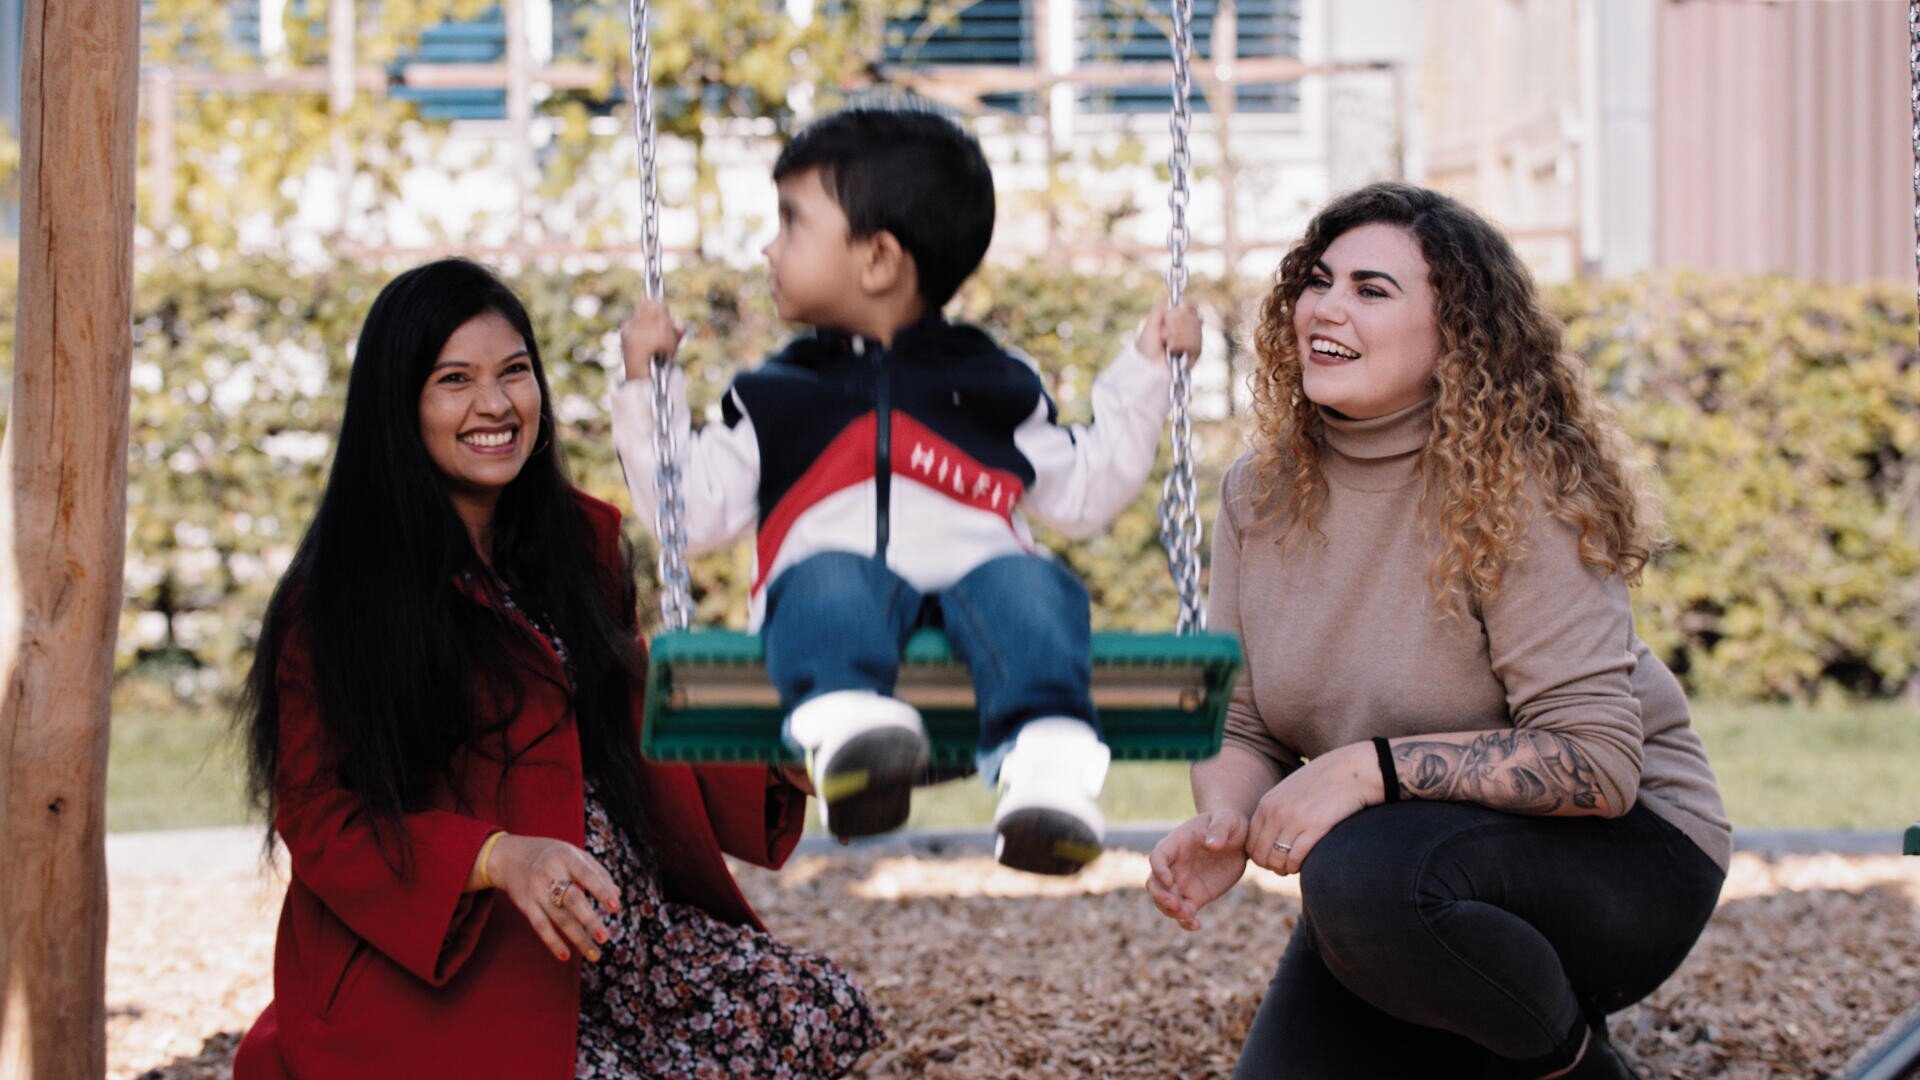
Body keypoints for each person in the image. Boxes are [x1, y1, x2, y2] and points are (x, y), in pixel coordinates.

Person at [231, 258, 881, 1078]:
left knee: (820, 1011)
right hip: (475, 963)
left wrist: (779, 757)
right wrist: (500, 858)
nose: (496, 405)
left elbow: (632, 713)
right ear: (401, 407)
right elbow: (321, 815)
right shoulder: (342, 598)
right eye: (454, 380)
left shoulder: (576, 546)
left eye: (514, 372)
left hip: (626, 947)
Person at [1145, 183, 1731, 1079]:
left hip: (1630, 857)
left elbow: (1601, 765)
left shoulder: (1522, 490)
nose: (1325, 308)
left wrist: (1368, 768)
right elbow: (1241, 719)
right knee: (1359, 899)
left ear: (1456, 336)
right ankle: (1478, 1012)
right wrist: (1227, 816)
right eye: (1318, 279)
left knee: (1358, 874)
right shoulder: (1256, 493)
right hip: (1406, 867)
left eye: (1372, 290)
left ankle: (1572, 1064)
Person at [615, 106, 1202, 876]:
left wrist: (1148, 370)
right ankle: (856, 735)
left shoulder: (993, 382)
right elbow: (685, 516)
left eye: (791, 222)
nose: (768, 245)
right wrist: (643, 387)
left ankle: (1048, 773)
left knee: (1034, 585)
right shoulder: (774, 394)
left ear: (879, 260)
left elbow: (1084, 493)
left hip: (981, 611)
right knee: (827, 578)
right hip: (835, 627)